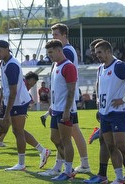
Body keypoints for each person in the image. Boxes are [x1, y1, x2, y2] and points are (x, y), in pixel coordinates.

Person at [39, 23, 90, 176]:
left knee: (69, 136)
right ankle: (73, 165)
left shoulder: (66, 51)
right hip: (60, 103)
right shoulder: (58, 57)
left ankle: (66, 167)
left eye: (56, 34)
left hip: (67, 102)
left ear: (64, 35)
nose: (53, 37)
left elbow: (70, 81)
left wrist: (66, 106)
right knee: (64, 136)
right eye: (52, 35)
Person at [94, 40, 125, 183]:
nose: (97, 55)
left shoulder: (119, 66)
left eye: (100, 52)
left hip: (118, 113)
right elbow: (100, 89)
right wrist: (99, 107)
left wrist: (124, 99)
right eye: (96, 53)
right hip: (105, 113)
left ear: (108, 52)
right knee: (110, 146)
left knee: (121, 144)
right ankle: (119, 178)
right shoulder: (100, 68)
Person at [0, 72, 51, 169]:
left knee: (14, 130)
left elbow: (11, 92)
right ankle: (40, 152)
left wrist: (6, 105)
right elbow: (5, 89)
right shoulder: (20, 80)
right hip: (12, 105)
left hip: (14, 106)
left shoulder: (20, 81)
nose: (33, 84)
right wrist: (2, 102)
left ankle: (29, 158)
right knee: (15, 130)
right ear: (30, 79)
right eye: (34, 82)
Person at [0, 40, 41, 171]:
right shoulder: (4, 63)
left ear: (7, 49)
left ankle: (21, 164)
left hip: (18, 101)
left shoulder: (12, 65)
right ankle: (42, 150)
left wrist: (7, 112)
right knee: (18, 130)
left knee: (17, 131)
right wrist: (0, 100)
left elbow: (13, 91)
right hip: (14, 101)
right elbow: (4, 84)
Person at [38, 39, 77, 181]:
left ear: (59, 50)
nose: (49, 55)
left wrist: (67, 110)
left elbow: (71, 90)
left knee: (66, 141)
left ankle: (68, 171)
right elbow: (57, 89)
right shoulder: (55, 65)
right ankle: (61, 167)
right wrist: (52, 106)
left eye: (51, 52)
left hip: (64, 110)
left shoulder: (69, 66)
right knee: (54, 138)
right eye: (48, 53)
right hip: (56, 109)